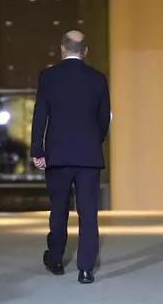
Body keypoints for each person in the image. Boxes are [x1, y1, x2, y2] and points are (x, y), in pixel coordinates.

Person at [31, 30, 110, 283]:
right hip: (88, 156)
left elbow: (40, 115)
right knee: (88, 213)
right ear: (85, 51)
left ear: (62, 49)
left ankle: (55, 260)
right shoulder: (98, 79)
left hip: (58, 154)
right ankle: (86, 269)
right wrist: (91, 144)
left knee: (59, 209)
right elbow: (103, 118)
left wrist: (38, 150)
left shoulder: (48, 77)